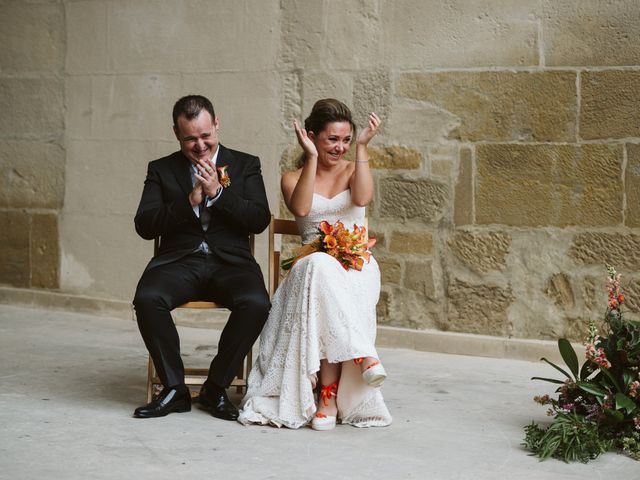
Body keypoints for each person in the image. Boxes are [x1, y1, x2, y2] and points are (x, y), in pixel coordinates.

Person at [238, 99, 392, 430]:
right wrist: (310, 158)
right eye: (331, 139)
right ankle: (358, 361)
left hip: (356, 267)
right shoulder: (292, 177)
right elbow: (303, 210)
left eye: (346, 139)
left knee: (324, 275)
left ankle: (328, 396)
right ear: (312, 136)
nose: (340, 147)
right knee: (320, 266)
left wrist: (363, 147)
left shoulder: (354, 167)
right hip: (310, 269)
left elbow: (362, 199)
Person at [132, 95, 271, 420]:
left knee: (257, 303)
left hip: (231, 264)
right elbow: (144, 225)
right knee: (147, 297)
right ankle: (174, 389)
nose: (199, 145)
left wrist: (218, 195)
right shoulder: (162, 169)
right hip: (180, 263)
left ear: (217, 124)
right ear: (176, 134)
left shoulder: (245, 164)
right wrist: (188, 201)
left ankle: (216, 388)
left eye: (205, 136)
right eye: (190, 138)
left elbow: (259, 219)